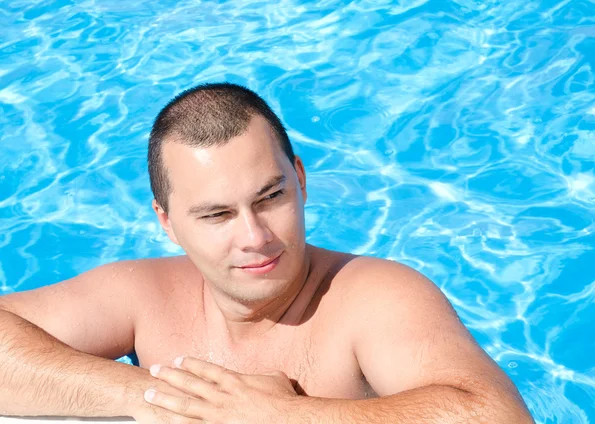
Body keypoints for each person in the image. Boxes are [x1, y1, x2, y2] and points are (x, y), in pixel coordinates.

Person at [0, 83, 533, 423]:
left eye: (271, 197)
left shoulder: (374, 297)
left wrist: (281, 416)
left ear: (300, 179)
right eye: (216, 215)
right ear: (167, 222)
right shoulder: (143, 294)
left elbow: (497, 415)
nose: (255, 237)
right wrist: (150, 397)